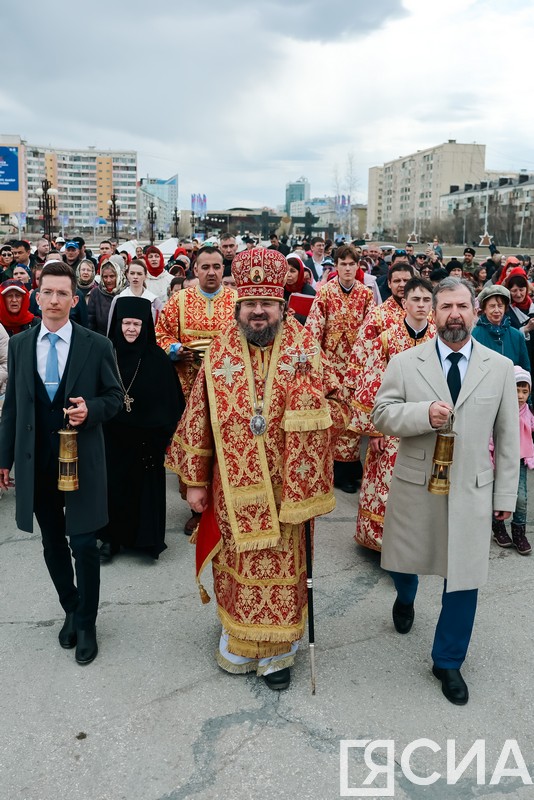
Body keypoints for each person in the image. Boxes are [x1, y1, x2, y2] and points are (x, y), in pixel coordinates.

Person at [169, 248, 346, 690]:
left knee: (283, 572)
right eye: (251, 305)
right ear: (239, 306)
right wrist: (193, 482)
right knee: (238, 566)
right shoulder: (220, 352)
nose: (259, 312)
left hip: (290, 492)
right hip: (233, 488)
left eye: (267, 304)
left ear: (281, 306)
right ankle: (240, 638)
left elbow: (337, 399)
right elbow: (198, 416)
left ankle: (279, 654)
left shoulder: (305, 345)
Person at [372, 277, 519, 705]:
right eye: (446, 307)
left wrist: (505, 499)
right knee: (405, 563)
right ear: (432, 314)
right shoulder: (404, 362)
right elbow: (382, 415)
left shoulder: (499, 367)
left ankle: (448, 661)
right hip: (418, 486)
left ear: (474, 312)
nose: (454, 314)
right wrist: (423, 415)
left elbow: (508, 440)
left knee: (464, 580)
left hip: (473, 490)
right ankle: (405, 596)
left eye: (462, 306)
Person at [0, 261, 123, 665]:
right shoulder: (20, 346)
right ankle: (70, 606)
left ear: (74, 299)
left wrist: (92, 410)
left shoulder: (96, 345)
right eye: (47, 292)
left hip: (81, 459)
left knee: (84, 543)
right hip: (36, 462)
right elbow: (13, 408)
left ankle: (87, 621)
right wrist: (4, 458)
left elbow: (115, 397)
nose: (54, 300)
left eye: (62, 293)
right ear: (37, 296)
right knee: (52, 541)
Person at [345, 277, 436, 550]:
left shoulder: (438, 340)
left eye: (426, 300)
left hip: (426, 424)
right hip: (392, 425)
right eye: (415, 299)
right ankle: (385, 544)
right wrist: (374, 430)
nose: (420, 305)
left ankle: (417, 542)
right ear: (404, 303)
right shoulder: (386, 338)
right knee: (388, 483)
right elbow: (372, 382)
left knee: (422, 483)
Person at [98, 297, 184, 561]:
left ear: (145, 325)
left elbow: (171, 400)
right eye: (126, 323)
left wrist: (161, 432)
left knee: (145, 490)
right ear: (118, 325)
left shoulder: (157, 357)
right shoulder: (106, 354)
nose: (131, 329)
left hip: (147, 439)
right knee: (113, 489)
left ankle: (147, 541)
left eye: (136, 324)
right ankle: (110, 540)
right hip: (114, 436)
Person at [306, 244, 375, 493]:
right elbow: (314, 329)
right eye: (343, 264)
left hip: (356, 365)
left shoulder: (365, 295)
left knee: (354, 416)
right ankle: (334, 469)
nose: (347, 268)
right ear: (336, 266)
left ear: (358, 267)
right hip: (331, 365)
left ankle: (350, 467)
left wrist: (368, 362)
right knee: (335, 415)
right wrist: (318, 364)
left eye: (352, 264)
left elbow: (372, 330)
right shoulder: (325, 293)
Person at [491, 366, 533, 555]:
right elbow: (491, 435)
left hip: (520, 460)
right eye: (516, 390)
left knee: (521, 498)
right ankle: (498, 528)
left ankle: (519, 533)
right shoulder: (500, 409)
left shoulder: (529, 413)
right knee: (499, 495)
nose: (520, 395)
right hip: (499, 459)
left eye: (525, 391)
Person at [471, 285, 530, 370]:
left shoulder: (517, 336)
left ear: (505, 308)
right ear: (484, 309)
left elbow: (525, 368)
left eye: (500, 306)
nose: (496, 310)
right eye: (492, 306)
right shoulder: (474, 335)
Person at [109, 259, 163, 327]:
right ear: (127, 275)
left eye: (139, 274)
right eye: (132, 273)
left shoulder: (154, 301)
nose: (135, 277)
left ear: (145, 276)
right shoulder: (118, 299)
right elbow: (111, 326)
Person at [87, 255, 126, 335]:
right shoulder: (95, 293)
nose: (108, 280)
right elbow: (91, 321)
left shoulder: (127, 292)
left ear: (118, 275)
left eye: (112, 276)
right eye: (105, 277)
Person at [283, 254, 316, 324]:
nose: (288, 275)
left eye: (292, 271)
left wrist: (296, 316)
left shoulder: (310, 293)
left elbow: (314, 320)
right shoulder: (280, 290)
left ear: (300, 273)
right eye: (286, 271)